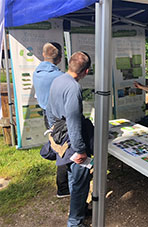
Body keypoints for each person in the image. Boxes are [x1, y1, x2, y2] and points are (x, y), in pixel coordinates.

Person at [46, 51, 93, 227]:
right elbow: (73, 122)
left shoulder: (57, 80)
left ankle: (79, 211)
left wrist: (55, 133)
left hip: (61, 138)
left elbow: (49, 109)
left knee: (75, 180)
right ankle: (75, 223)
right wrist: (80, 150)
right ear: (86, 71)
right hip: (73, 143)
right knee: (80, 182)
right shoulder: (74, 88)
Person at [33, 42, 70, 198]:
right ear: (60, 58)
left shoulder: (37, 72)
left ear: (43, 54)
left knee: (58, 146)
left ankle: (64, 183)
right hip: (59, 118)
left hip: (47, 116)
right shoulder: (60, 77)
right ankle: (63, 188)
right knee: (64, 150)